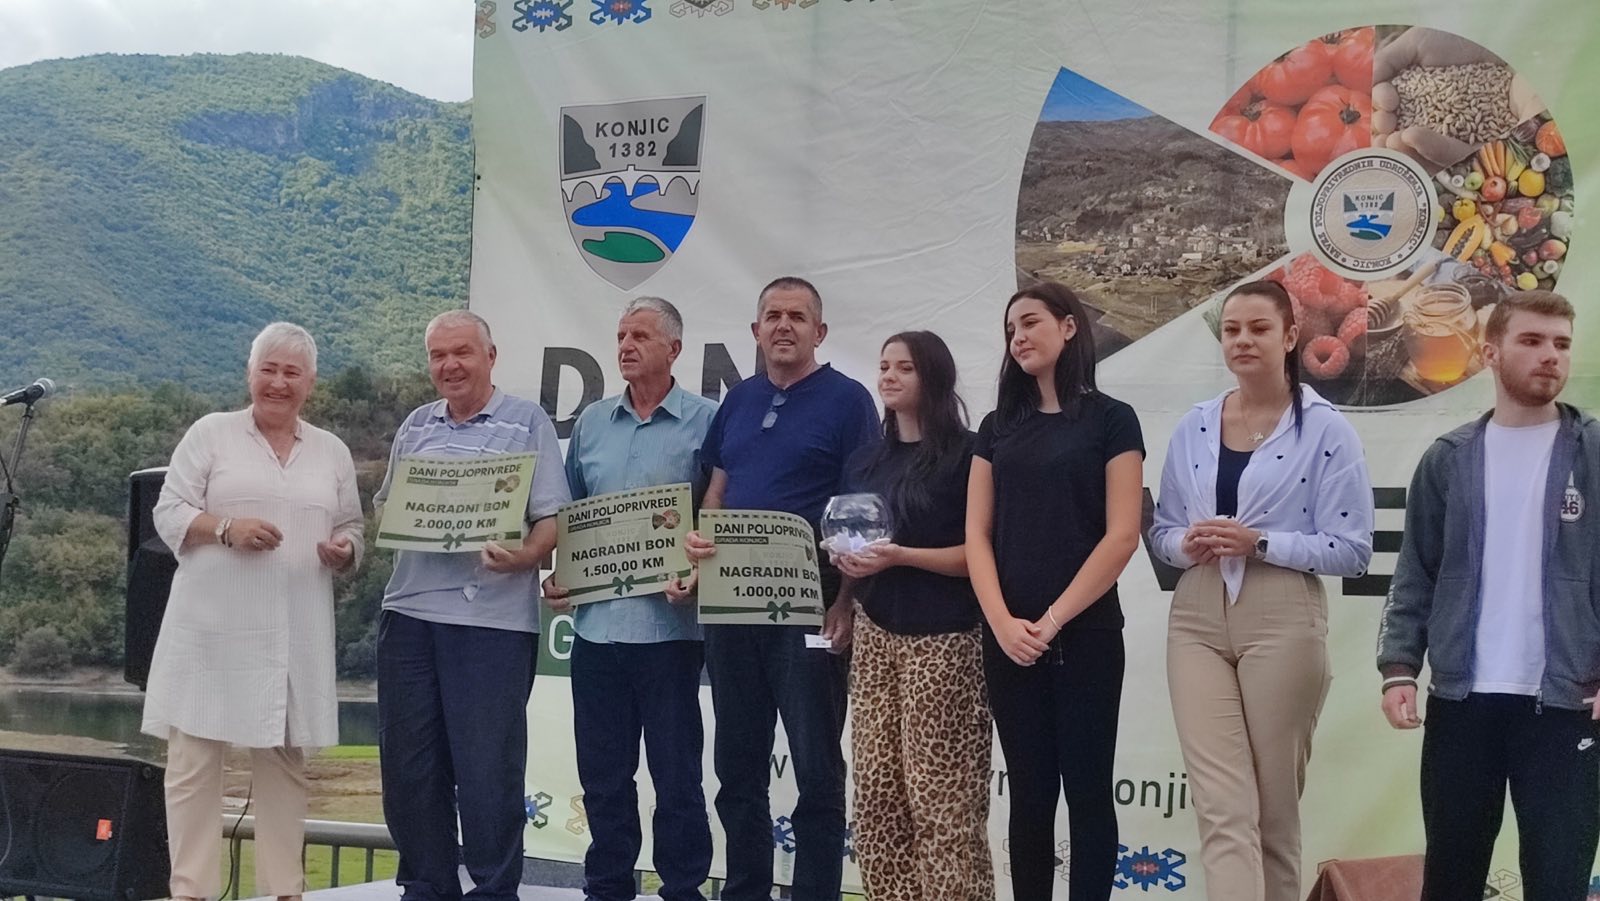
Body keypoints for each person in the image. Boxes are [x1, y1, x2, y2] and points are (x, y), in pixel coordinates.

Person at [1149, 280, 1374, 901]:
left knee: (1273, 813)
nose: (1243, 340)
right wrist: (1185, 544)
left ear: (1291, 336)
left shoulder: (1327, 430)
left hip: (1283, 611)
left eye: (1258, 328)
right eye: (1231, 330)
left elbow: (1353, 550)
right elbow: (1162, 531)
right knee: (1222, 807)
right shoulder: (1193, 426)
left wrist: (1262, 543)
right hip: (1196, 613)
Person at [1377, 290, 1599, 901]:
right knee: (1452, 878)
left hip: (1566, 703)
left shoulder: (1594, 452)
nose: (1550, 355)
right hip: (1462, 702)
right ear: (1490, 351)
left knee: (1558, 882)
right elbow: (1416, 572)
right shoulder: (1448, 460)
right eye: (1532, 340)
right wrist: (1399, 668)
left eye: (1561, 344)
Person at [143, 322, 364, 901]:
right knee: (193, 765)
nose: (278, 382)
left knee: (284, 766)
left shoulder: (332, 451)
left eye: (292, 372)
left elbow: (351, 525)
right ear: (249, 374)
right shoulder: (211, 434)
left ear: (310, 383)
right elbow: (168, 511)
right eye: (268, 369)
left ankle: (283, 891)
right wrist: (225, 528)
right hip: (209, 630)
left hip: (294, 631)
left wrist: (346, 550)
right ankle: (189, 891)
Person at [680, 276, 879, 901]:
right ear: (756, 330)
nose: (783, 325)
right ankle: (745, 890)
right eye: (773, 315)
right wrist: (699, 545)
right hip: (731, 608)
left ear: (820, 332)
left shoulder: (849, 402)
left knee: (816, 766)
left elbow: (859, 514)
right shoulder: (738, 400)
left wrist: (845, 604)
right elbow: (717, 490)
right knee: (737, 766)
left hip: (811, 609)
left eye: (797, 316)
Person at [374, 310, 570, 901]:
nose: (449, 365)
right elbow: (388, 507)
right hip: (409, 614)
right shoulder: (416, 425)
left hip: (492, 624)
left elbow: (551, 522)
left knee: (487, 768)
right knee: (409, 767)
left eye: (461, 352)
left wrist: (524, 557)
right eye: (438, 356)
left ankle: (493, 890)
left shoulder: (527, 421)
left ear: (490, 355)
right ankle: (425, 886)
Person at [966, 281, 1144, 901]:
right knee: (1030, 795)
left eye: (1030, 322)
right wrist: (1002, 623)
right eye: (1011, 328)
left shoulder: (1112, 419)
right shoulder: (996, 428)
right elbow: (976, 535)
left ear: (1069, 327)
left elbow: (1122, 535)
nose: (1018, 337)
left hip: (1086, 636)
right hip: (1009, 642)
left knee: (1088, 793)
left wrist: (1053, 620)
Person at [541, 297, 717, 901]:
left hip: (669, 633)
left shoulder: (708, 421)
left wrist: (698, 569)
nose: (626, 346)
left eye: (640, 335)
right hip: (596, 632)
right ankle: (607, 887)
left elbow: (717, 515)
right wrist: (560, 574)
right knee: (603, 777)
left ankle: (683, 889)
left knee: (677, 777)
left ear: (674, 348)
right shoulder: (591, 423)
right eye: (621, 335)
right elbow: (571, 515)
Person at [833, 331, 992, 901]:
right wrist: (845, 584)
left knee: (941, 800)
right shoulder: (865, 460)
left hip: (945, 640)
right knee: (876, 797)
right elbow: (854, 540)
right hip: (875, 635)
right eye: (884, 366)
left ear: (934, 376)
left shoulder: (969, 455)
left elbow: (981, 555)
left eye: (905, 367)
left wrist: (901, 555)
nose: (889, 376)